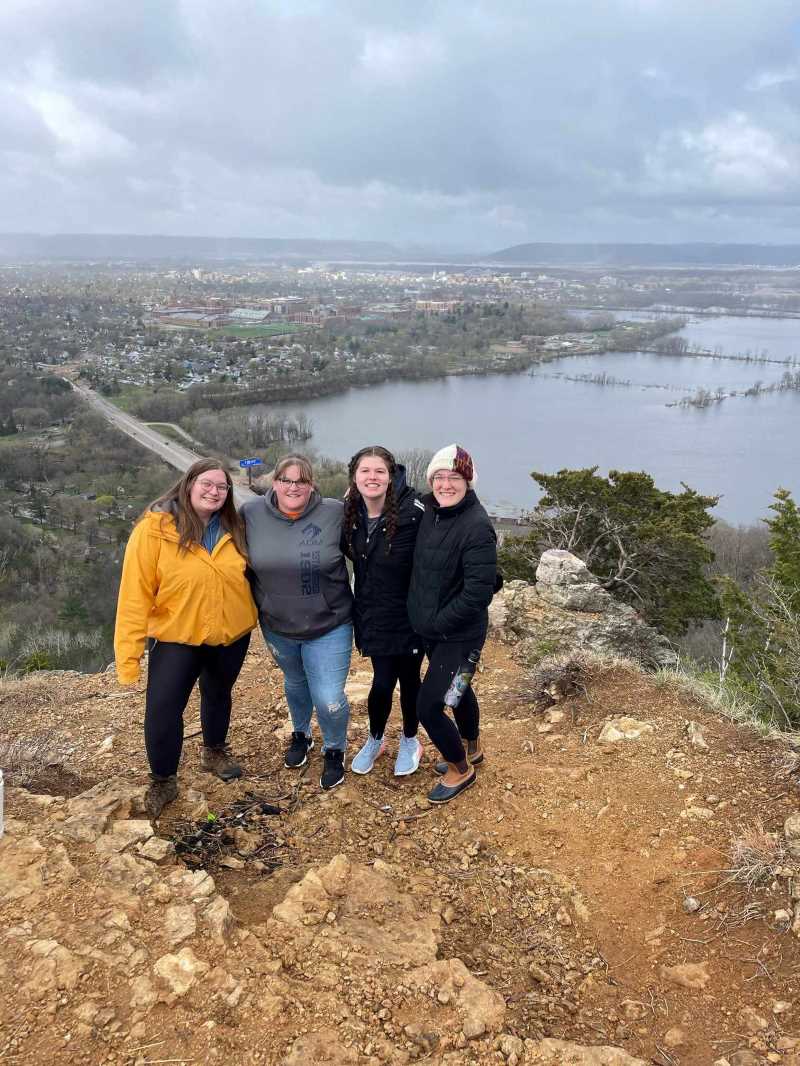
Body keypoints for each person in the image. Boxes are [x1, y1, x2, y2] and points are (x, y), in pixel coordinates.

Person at [114, 458, 258, 818]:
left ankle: (214, 751)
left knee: (217, 693)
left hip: (230, 633)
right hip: (178, 636)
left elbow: (257, 578)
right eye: (206, 484)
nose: (214, 491)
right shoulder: (155, 530)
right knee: (163, 709)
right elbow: (134, 595)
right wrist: (128, 657)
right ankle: (163, 779)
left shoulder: (235, 528)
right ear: (188, 484)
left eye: (221, 487)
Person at [241, 454, 353, 791]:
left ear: (311, 485)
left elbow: (374, 544)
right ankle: (301, 734)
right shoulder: (251, 513)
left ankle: (335, 748)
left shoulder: (335, 512)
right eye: (286, 480)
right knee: (295, 681)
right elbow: (210, 529)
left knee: (329, 697)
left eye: (301, 480)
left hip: (329, 624)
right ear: (274, 483)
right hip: (278, 625)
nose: (293, 486)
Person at [407, 444, 497, 804]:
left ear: (468, 482)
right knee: (458, 691)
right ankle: (472, 746)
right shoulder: (431, 510)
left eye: (455, 477)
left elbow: (478, 593)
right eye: (439, 477)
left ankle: (461, 767)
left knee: (428, 705)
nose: (446, 484)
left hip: (458, 633)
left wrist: (438, 622)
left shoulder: (476, 526)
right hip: (434, 629)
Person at [343, 446, 425, 777]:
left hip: (410, 616)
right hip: (373, 614)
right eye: (365, 471)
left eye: (380, 471)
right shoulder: (350, 513)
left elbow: (443, 546)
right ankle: (375, 738)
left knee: (409, 680)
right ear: (354, 476)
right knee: (381, 682)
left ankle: (410, 739)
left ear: (391, 476)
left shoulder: (416, 511)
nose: (372, 477)